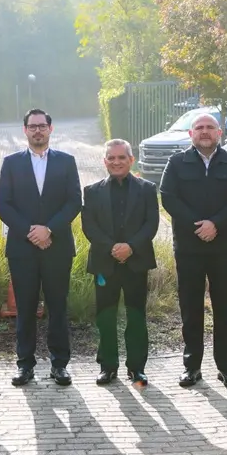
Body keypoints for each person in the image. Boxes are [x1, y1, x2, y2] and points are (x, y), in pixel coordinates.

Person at [160, 112, 227, 390]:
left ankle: (226, 367)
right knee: (191, 308)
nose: (204, 131)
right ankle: (192, 367)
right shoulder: (177, 163)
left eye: (210, 127)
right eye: (199, 127)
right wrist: (199, 226)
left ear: (219, 132)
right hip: (189, 248)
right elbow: (168, 198)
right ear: (191, 134)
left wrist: (216, 224)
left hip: (223, 248)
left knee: (224, 308)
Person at [0, 109, 82, 387]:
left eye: (42, 126)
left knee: (58, 307)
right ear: (25, 130)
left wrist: (49, 229)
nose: (37, 131)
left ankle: (60, 365)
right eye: (32, 126)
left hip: (57, 247)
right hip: (23, 248)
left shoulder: (66, 161)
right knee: (25, 308)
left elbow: (74, 201)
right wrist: (31, 231)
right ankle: (25, 365)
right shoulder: (11, 163)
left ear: (50, 129)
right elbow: (4, 204)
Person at [82, 140, 160, 387]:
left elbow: (151, 224)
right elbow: (89, 226)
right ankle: (108, 366)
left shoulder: (147, 189)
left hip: (136, 262)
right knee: (105, 317)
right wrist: (113, 248)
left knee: (136, 316)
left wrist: (131, 247)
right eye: (111, 158)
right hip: (105, 263)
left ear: (131, 160)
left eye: (121, 158)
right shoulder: (92, 191)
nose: (116, 162)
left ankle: (137, 369)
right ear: (104, 161)